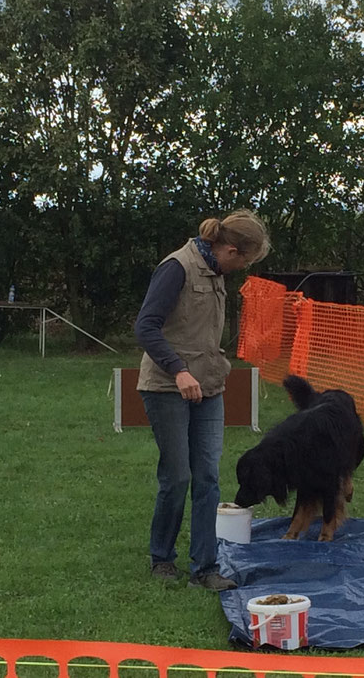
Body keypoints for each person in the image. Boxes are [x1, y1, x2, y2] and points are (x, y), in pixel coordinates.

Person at [135, 209, 270, 590]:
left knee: (208, 477)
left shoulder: (216, 272)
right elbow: (145, 327)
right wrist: (178, 369)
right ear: (229, 249)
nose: (242, 267)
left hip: (209, 388)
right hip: (166, 387)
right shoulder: (176, 267)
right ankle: (162, 557)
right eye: (243, 260)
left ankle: (206, 569)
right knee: (177, 477)